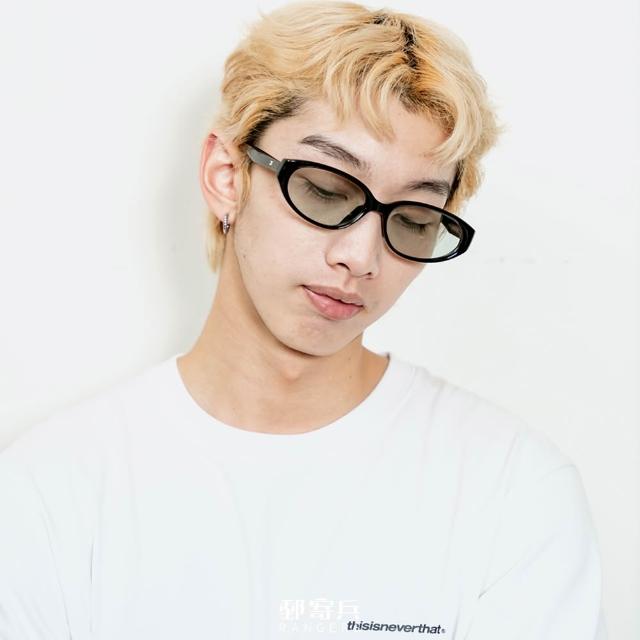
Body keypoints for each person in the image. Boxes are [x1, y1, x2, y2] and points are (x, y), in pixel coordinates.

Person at [0, 1, 607, 638]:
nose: (361, 257)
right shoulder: (51, 492)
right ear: (227, 175)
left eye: (412, 220)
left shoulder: (513, 493)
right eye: (325, 190)